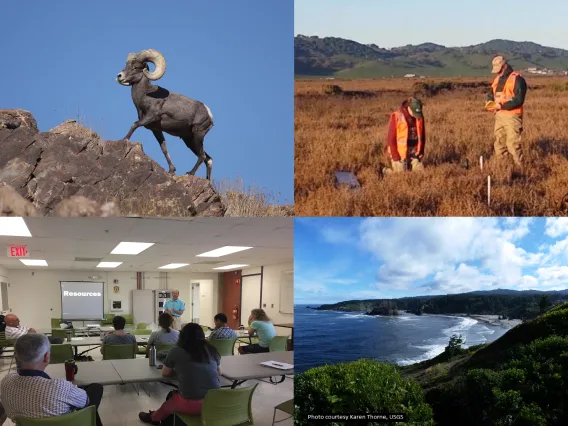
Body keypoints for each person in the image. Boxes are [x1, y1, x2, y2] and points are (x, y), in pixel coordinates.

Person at [0, 334, 104, 426]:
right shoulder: (60, 387)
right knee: (95, 388)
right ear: (46, 357)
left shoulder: (6, 381)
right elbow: (85, 402)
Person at [138, 323, 221, 425]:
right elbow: (218, 372)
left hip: (192, 403)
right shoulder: (212, 349)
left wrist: (181, 370)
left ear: (182, 336)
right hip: (215, 402)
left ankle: (154, 418)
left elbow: (165, 373)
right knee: (174, 397)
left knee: (170, 403)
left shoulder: (177, 350)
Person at [486, 56, 527, 165]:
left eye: (499, 70)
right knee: (499, 143)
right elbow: (491, 94)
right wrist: (490, 102)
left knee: (513, 144)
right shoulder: (497, 79)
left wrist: (501, 106)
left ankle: (520, 168)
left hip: (512, 116)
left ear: (504, 66)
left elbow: (519, 100)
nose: (497, 73)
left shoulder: (518, 79)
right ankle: (502, 166)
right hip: (499, 115)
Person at [383, 97, 426, 174]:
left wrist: (421, 151)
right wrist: (395, 157)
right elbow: (391, 139)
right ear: (409, 107)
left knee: (421, 171)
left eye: (418, 113)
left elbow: (422, 135)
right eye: (414, 113)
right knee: (400, 173)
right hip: (400, 154)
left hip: (414, 153)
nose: (416, 116)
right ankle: (384, 170)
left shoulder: (419, 116)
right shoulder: (397, 116)